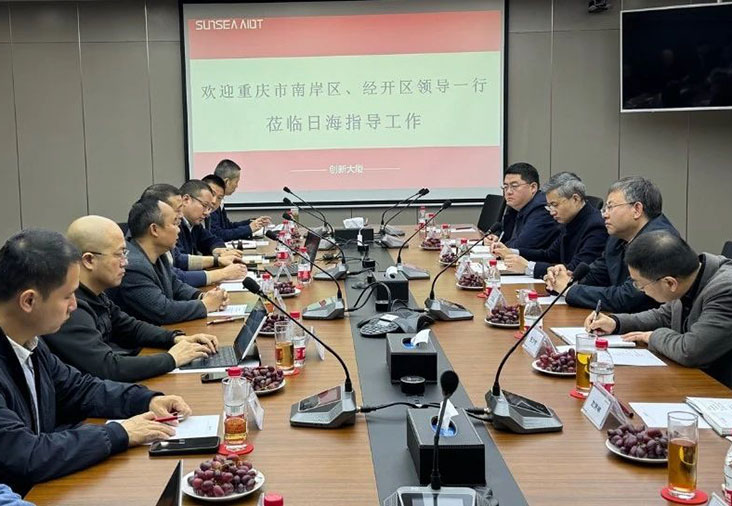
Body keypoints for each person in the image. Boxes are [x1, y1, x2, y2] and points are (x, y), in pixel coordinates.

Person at [0, 229, 191, 496]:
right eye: (67, 296)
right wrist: (120, 433)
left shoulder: (31, 342)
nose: (74, 306)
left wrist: (145, 400)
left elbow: (80, 388)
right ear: (29, 300)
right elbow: (28, 455)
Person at [43, 216, 218, 382]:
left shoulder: (96, 294)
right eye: (118, 255)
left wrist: (175, 338)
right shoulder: (71, 308)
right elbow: (107, 367)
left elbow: (130, 327)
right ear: (89, 260)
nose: (125, 262)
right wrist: (172, 358)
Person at [585, 231, 732, 388]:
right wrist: (616, 322)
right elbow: (663, 316)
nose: (640, 289)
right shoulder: (688, 278)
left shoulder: (725, 290)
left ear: (670, 283)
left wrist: (652, 336)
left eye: (639, 284)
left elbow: (691, 350)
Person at [545, 176, 679, 312]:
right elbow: (596, 275)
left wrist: (570, 290)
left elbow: (626, 298)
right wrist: (565, 279)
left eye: (610, 207)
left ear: (637, 209)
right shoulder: (618, 236)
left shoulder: (659, 242)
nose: (604, 215)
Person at [108, 197, 228, 325]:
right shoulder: (133, 266)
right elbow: (163, 311)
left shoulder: (159, 255)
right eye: (175, 223)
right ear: (154, 230)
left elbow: (176, 286)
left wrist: (202, 296)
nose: (179, 229)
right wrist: (205, 305)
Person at [492, 172, 607, 279]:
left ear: (575, 199)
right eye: (549, 206)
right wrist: (512, 252)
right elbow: (549, 255)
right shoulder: (569, 220)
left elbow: (574, 270)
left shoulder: (596, 226)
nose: (552, 212)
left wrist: (528, 267)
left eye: (555, 205)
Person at [141, 183, 247, 287]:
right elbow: (177, 273)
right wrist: (222, 272)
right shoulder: (139, 264)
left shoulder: (192, 224)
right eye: (177, 210)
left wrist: (218, 256)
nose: (180, 216)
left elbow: (178, 261)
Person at [173, 180, 244, 273]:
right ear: (186, 200)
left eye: (209, 208)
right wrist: (217, 261)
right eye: (204, 205)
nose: (207, 213)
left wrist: (219, 251)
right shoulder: (172, 225)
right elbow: (179, 261)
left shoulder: (194, 224)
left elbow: (211, 239)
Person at [488, 162, 559, 250]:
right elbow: (505, 232)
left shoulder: (541, 209)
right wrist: (495, 237)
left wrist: (497, 246)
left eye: (514, 186)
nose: (508, 192)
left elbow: (520, 246)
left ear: (533, 187)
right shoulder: (515, 206)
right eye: (505, 187)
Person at [208, 159, 270, 241]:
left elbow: (228, 227)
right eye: (236, 182)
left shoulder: (220, 202)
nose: (237, 186)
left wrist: (251, 222)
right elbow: (217, 234)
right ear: (226, 182)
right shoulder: (211, 203)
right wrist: (249, 229)